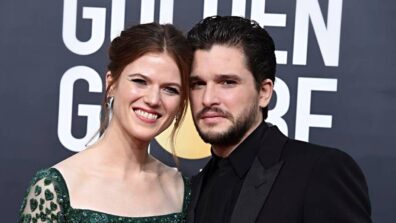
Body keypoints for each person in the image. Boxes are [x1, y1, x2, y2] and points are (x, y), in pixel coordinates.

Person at [186, 16, 372, 223]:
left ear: (264, 93)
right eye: (198, 84)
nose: (208, 98)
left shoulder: (319, 171)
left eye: (228, 82)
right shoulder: (193, 188)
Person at [19, 22, 193, 223]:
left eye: (170, 89)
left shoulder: (180, 190)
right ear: (111, 84)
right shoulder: (55, 188)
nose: (153, 99)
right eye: (140, 81)